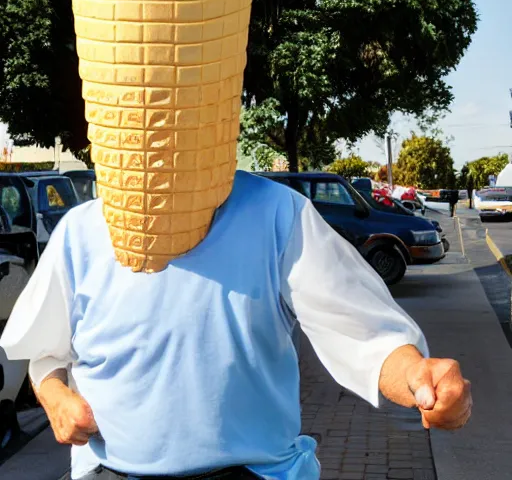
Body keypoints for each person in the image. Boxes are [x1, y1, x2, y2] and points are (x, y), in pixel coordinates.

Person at [0, 172, 471, 480]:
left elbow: (364, 333)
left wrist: (416, 376)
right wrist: (57, 398)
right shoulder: (79, 231)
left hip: (255, 473)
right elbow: (46, 350)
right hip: (110, 471)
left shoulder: (278, 214)